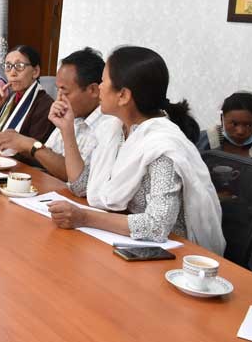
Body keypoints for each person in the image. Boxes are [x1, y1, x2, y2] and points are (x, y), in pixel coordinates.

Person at [47, 46, 225, 254]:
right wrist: (67, 129)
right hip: (123, 240)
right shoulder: (116, 129)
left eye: (104, 82)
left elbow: (157, 225)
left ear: (123, 95)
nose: (100, 88)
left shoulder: (161, 147)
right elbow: (81, 185)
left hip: (169, 253)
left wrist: (85, 218)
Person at [0, 47, 107, 181]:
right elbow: (48, 157)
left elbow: (80, 180)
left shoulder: (107, 126)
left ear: (93, 90)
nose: (59, 99)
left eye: (65, 91)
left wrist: (30, 144)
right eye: (57, 90)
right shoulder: (74, 114)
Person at [0, 45, 55, 151]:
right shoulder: (9, 97)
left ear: (35, 71)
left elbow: (37, 154)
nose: (13, 73)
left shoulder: (46, 106)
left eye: (19, 66)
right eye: (8, 66)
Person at [196, 91, 252, 166]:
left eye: (248, 125)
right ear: (222, 119)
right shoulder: (200, 141)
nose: (240, 131)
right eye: (234, 124)